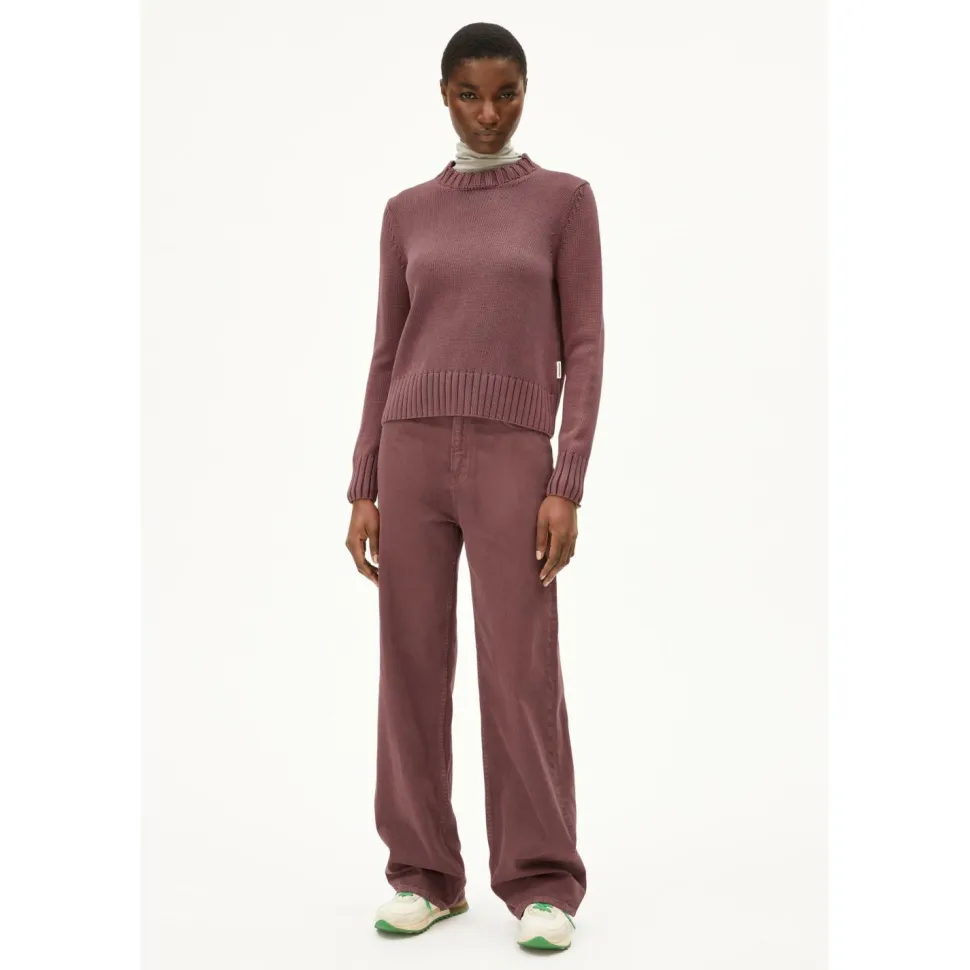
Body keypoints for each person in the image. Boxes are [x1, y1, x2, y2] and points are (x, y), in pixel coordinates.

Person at [344, 21, 604, 953]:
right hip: (410, 453)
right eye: (469, 95)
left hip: (513, 459)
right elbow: (386, 350)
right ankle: (423, 873)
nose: (488, 113)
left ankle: (542, 882)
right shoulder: (406, 212)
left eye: (506, 93)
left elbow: (585, 347)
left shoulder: (564, 202)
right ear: (444, 95)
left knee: (520, 668)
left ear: (526, 92)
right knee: (410, 665)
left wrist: (567, 479)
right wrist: (364, 482)